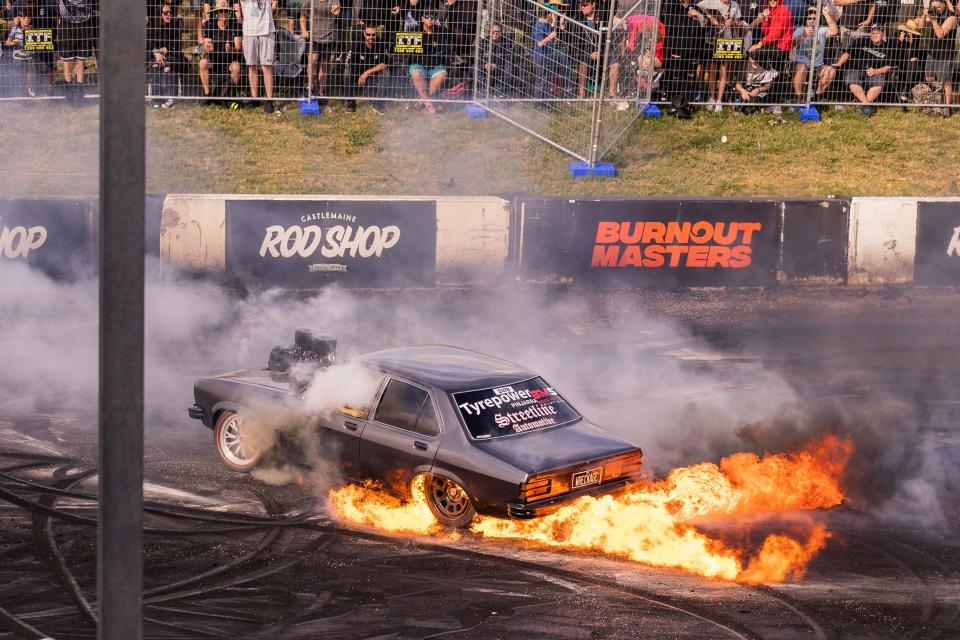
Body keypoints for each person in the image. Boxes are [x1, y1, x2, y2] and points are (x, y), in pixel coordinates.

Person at [698, 0, 749, 110]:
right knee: (712, 71)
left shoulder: (735, 5)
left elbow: (738, 23)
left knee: (723, 72)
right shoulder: (710, 2)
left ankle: (719, 101)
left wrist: (734, 23)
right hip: (712, 40)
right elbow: (698, 6)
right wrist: (710, 17)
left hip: (727, 41)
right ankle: (712, 97)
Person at [660, 0, 708, 115]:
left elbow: (705, 25)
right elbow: (666, 25)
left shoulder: (697, 8)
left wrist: (698, 15)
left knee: (689, 79)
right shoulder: (671, 7)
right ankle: (673, 103)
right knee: (674, 77)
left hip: (693, 51)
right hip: (676, 49)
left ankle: (686, 104)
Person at [747, 0, 792, 112]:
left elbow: (777, 33)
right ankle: (774, 105)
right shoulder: (769, 10)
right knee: (776, 77)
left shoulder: (784, 10)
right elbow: (766, 31)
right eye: (770, 0)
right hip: (773, 45)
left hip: (782, 46)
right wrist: (766, 19)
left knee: (755, 53)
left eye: (775, 0)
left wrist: (760, 44)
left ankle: (775, 104)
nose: (772, 1)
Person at [235, 0, 278, 113]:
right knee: (251, 67)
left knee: (266, 67)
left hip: (267, 31)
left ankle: (269, 101)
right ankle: (255, 99)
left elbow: (274, 7)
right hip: (249, 32)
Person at [791, 4, 839, 103]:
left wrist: (826, 14)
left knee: (831, 71)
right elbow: (792, 43)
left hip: (818, 66)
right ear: (805, 19)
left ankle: (817, 97)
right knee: (801, 68)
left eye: (814, 18)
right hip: (801, 63)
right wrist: (803, 35)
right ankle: (799, 98)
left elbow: (834, 31)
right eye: (809, 18)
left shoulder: (821, 30)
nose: (812, 20)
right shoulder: (799, 29)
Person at [841, 22, 891, 115]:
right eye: (873, 33)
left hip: (875, 71)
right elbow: (848, 53)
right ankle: (867, 106)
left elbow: (889, 66)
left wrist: (877, 71)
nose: (875, 35)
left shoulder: (888, 47)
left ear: (883, 34)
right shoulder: (862, 41)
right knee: (852, 80)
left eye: (878, 33)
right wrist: (839, 63)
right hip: (857, 68)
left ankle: (862, 106)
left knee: (879, 84)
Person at [199, 0, 243, 101]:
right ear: (216, 13)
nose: (223, 13)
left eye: (226, 11)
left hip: (229, 61)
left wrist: (230, 49)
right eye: (221, 11)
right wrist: (208, 49)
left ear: (229, 12)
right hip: (214, 61)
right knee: (202, 63)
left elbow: (238, 48)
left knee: (236, 66)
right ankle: (207, 95)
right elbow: (205, 48)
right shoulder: (209, 26)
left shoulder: (235, 26)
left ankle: (231, 95)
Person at [406, 10, 448, 113]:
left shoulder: (441, 32)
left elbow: (444, 49)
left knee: (442, 74)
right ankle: (429, 104)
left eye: (432, 17)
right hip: (418, 64)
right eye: (427, 16)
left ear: (435, 20)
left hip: (435, 66)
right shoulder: (415, 31)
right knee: (416, 74)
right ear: (422, 18)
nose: (430, 19)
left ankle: (421, 101)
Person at [300, 0, 339, 106]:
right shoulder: (310, 1)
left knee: (324, 66)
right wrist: (303, 30)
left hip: (328, 38)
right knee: (312, 61)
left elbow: (337, 10)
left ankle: (321, 92)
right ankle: (310, 87)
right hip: (314, 37)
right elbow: (302, 16)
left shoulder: (333, 0)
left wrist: (336, 11)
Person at [922, 0, 957, 117]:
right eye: (933, 7)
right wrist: (924, 15)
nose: (935, 10)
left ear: (943, 5)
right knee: (929, 78)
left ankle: (947, 108)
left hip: (945, 55)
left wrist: (932, 20)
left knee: (946, 82)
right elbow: (920, 26)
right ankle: (936, 101)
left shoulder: (951, 17)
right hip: (932, 53)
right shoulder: (933, 14)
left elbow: (940, 34)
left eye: (937, 7)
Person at [147, 2, 186, 108]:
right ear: (160, 14)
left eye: (170, 12)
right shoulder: (152, 27)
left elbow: (177, 45)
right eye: (166, 13)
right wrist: (157, 53)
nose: (169, 15)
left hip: (173, 55)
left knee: (167, 67)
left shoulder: (175, 26)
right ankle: (157, 99)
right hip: (155, 56)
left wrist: (166, 49)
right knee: (155, 65)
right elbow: (149, 46)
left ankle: (169, 98)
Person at [58, 0, 96, 105]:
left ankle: (79, 93)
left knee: (81, 59)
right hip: (67, 25)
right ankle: (68, 92)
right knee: (68, 59)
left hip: (84, 24)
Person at [345, 24, 389, 112]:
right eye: (368, 34)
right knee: (347, 71)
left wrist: (367, 73)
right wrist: (359, 75)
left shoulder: (381, 44)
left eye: (373, 35)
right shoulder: (356, 44)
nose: (371, 37)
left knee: (385, 72)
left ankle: (378, 103)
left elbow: (385, 63)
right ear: (364, 34)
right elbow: (348, 63)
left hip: (373, 74)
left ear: (377, 34)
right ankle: (351, 103)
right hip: (358, 73)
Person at [532, 3, 563, 105]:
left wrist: (555, 22)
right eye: (553, 13)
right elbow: (540, 43)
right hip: (539, 57)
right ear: (548, 13)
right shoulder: (539, 25)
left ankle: (544, 102)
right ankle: (538, 104)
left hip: (547, 56)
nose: (555, 15)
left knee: (546, 80)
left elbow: (554, 30)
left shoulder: (546, 24)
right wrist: (551, 36)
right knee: (540, 80)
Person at [891, 17, 923, 104]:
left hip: (908, 62)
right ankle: (905, 89)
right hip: (897, 60)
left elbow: (914, 54)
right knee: (911, 64)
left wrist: (912, 43)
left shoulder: (915, 37)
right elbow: (893, 52)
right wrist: (899, 41)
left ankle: (906, 88)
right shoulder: (896, 34)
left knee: (914, 63)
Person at [479, 22, 514, 96]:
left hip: (500, 66)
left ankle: (499, 93)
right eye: (493, 32)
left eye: (497, 32)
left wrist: (497, 65)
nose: (495, 34)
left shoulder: (505, 43)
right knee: (474, 68)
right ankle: (482, 91)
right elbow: (479, 57)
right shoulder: (484, 42)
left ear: (500, 33)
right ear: (489, 32)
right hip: (486, 66)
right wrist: (484, 64)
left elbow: (507, 58)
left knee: (508, 68)